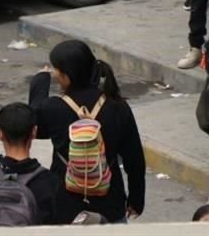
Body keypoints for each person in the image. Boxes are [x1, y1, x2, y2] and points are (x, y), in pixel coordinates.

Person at [29, 40, 145, 223]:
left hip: (67, 206)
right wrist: (136, 199)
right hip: (110, 202)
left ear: (66, 76)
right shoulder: (118, 106)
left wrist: (40, 81)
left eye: (56, 69)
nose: (54, 73)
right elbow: (135, 159)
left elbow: (33, 125)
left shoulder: (53, 108)